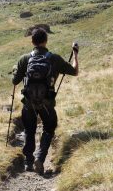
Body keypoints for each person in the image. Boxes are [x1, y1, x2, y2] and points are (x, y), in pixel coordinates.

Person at [12, 28, 79, 174]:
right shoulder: (53, 58)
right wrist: (75, 53)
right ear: (46, 41)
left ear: (32, 41)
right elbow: (75, 71)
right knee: (49, 128)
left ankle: (28, 162)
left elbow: (15, 81)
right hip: (47, 103)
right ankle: (40, 158)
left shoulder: (24, 59)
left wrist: (16, 71)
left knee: (29, 129)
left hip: (28, 103)